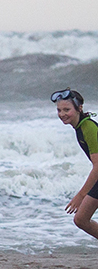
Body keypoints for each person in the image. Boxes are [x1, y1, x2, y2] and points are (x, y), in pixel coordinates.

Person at [55, 89, 98, 242]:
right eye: (59, 110)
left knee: (81, 219)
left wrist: (81, 196)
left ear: (79, 108)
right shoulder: (80, 127)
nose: (62, 114)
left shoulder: (88, 127)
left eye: (67, 110)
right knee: (81, 219)